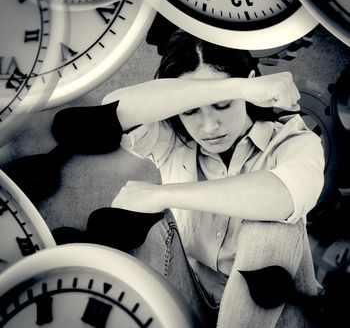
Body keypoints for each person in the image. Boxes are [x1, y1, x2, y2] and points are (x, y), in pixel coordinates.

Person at [55, 30, 325, 327]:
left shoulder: (294, 140)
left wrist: (163, 195)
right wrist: (225, 89)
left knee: (274, 225)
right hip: (190, 298)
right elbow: (110, 113)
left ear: (251, 86)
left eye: (224, 104)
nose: (209, 126)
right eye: (190, 110)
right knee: (139, 221)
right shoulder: (172, 139)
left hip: (278, 314)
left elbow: (284, 196)